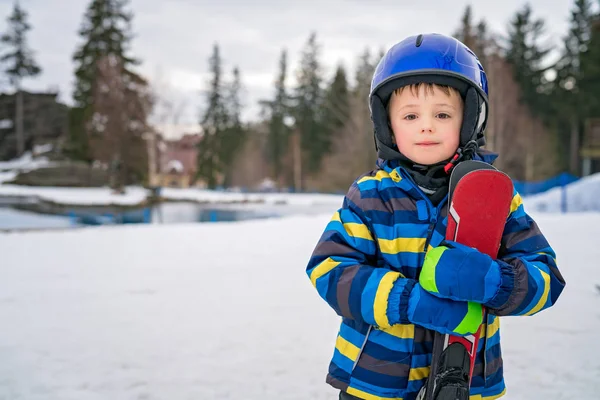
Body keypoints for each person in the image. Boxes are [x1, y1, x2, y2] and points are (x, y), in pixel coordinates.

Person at [305, 33, 565, 400]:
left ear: (470, 119)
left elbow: (546, 278)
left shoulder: (496, 200)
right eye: (410, 115)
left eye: (442, 114)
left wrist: (497, 283)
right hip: (374, 385)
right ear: (388, 125)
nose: (426, 126)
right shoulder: (369, 196)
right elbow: (329, 269)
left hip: (466, 385)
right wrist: (405, 300)